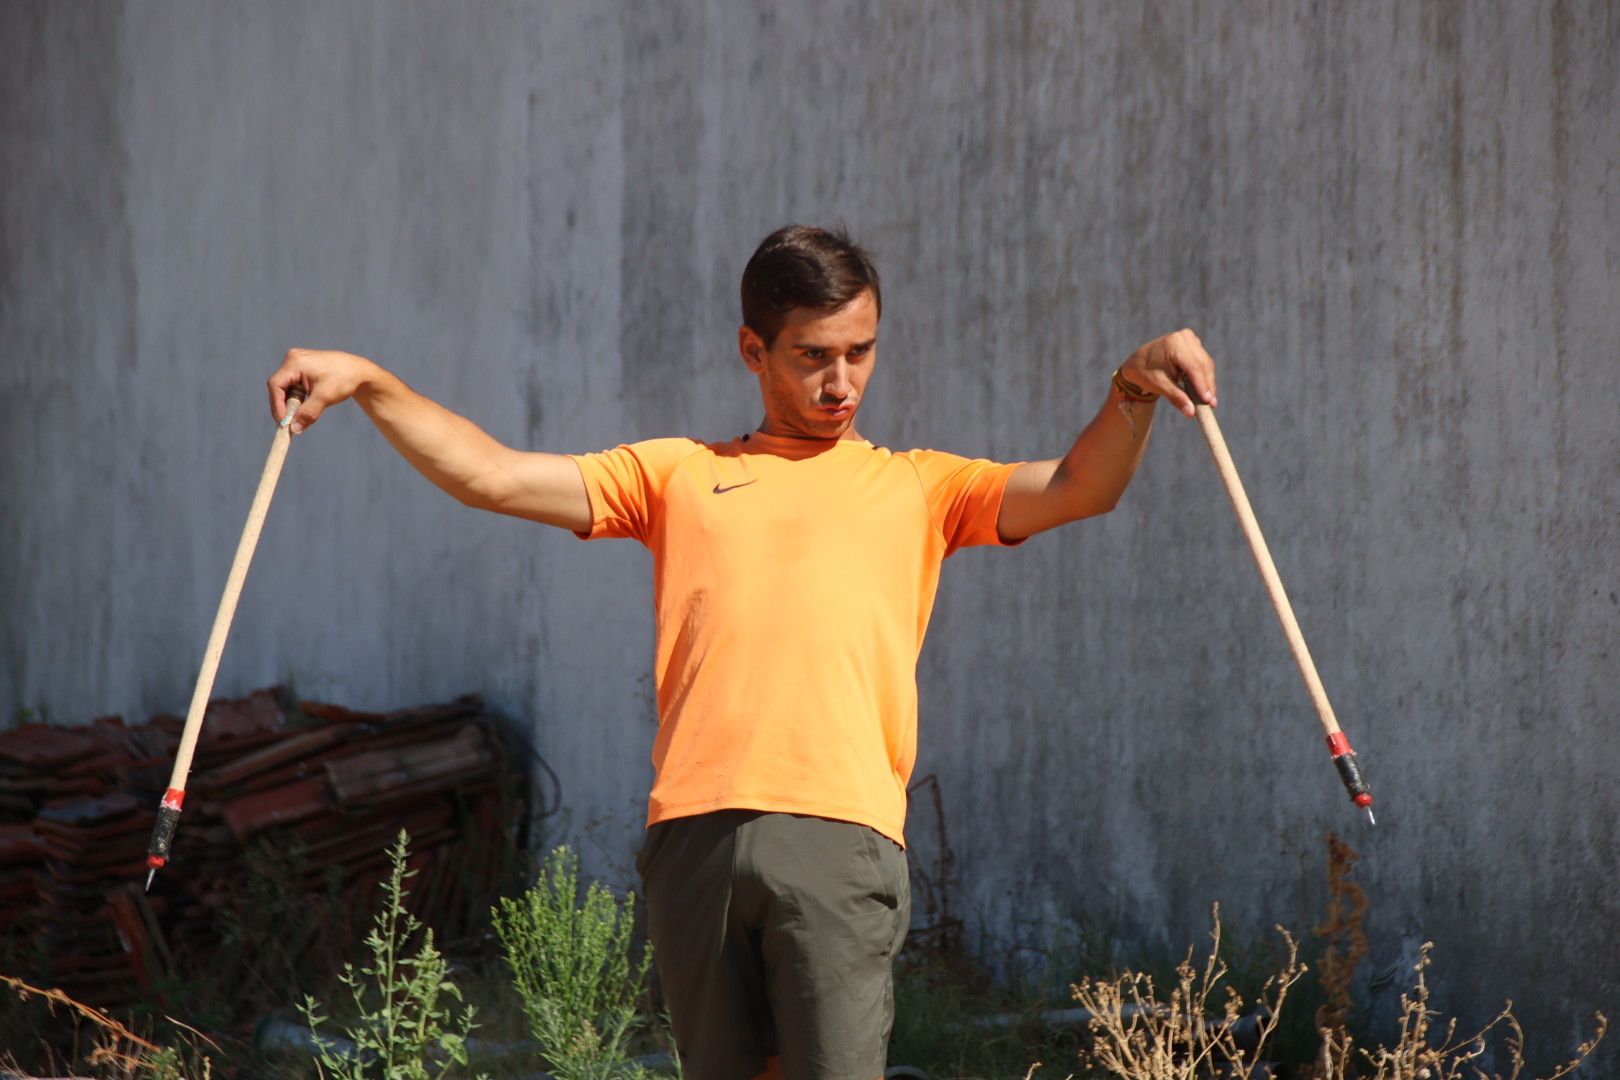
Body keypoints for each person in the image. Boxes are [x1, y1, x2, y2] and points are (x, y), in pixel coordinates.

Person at [268, 224, 1218, 1080]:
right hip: (697, 837)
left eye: (860, 352)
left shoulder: (920, 487)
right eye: (812, 356)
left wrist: (1132, 387)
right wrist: (372, 383)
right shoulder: (677, 475)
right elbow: (491, 475)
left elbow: (1080, 486)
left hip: (840, 841)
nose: (840, 382)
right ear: (753, 350)